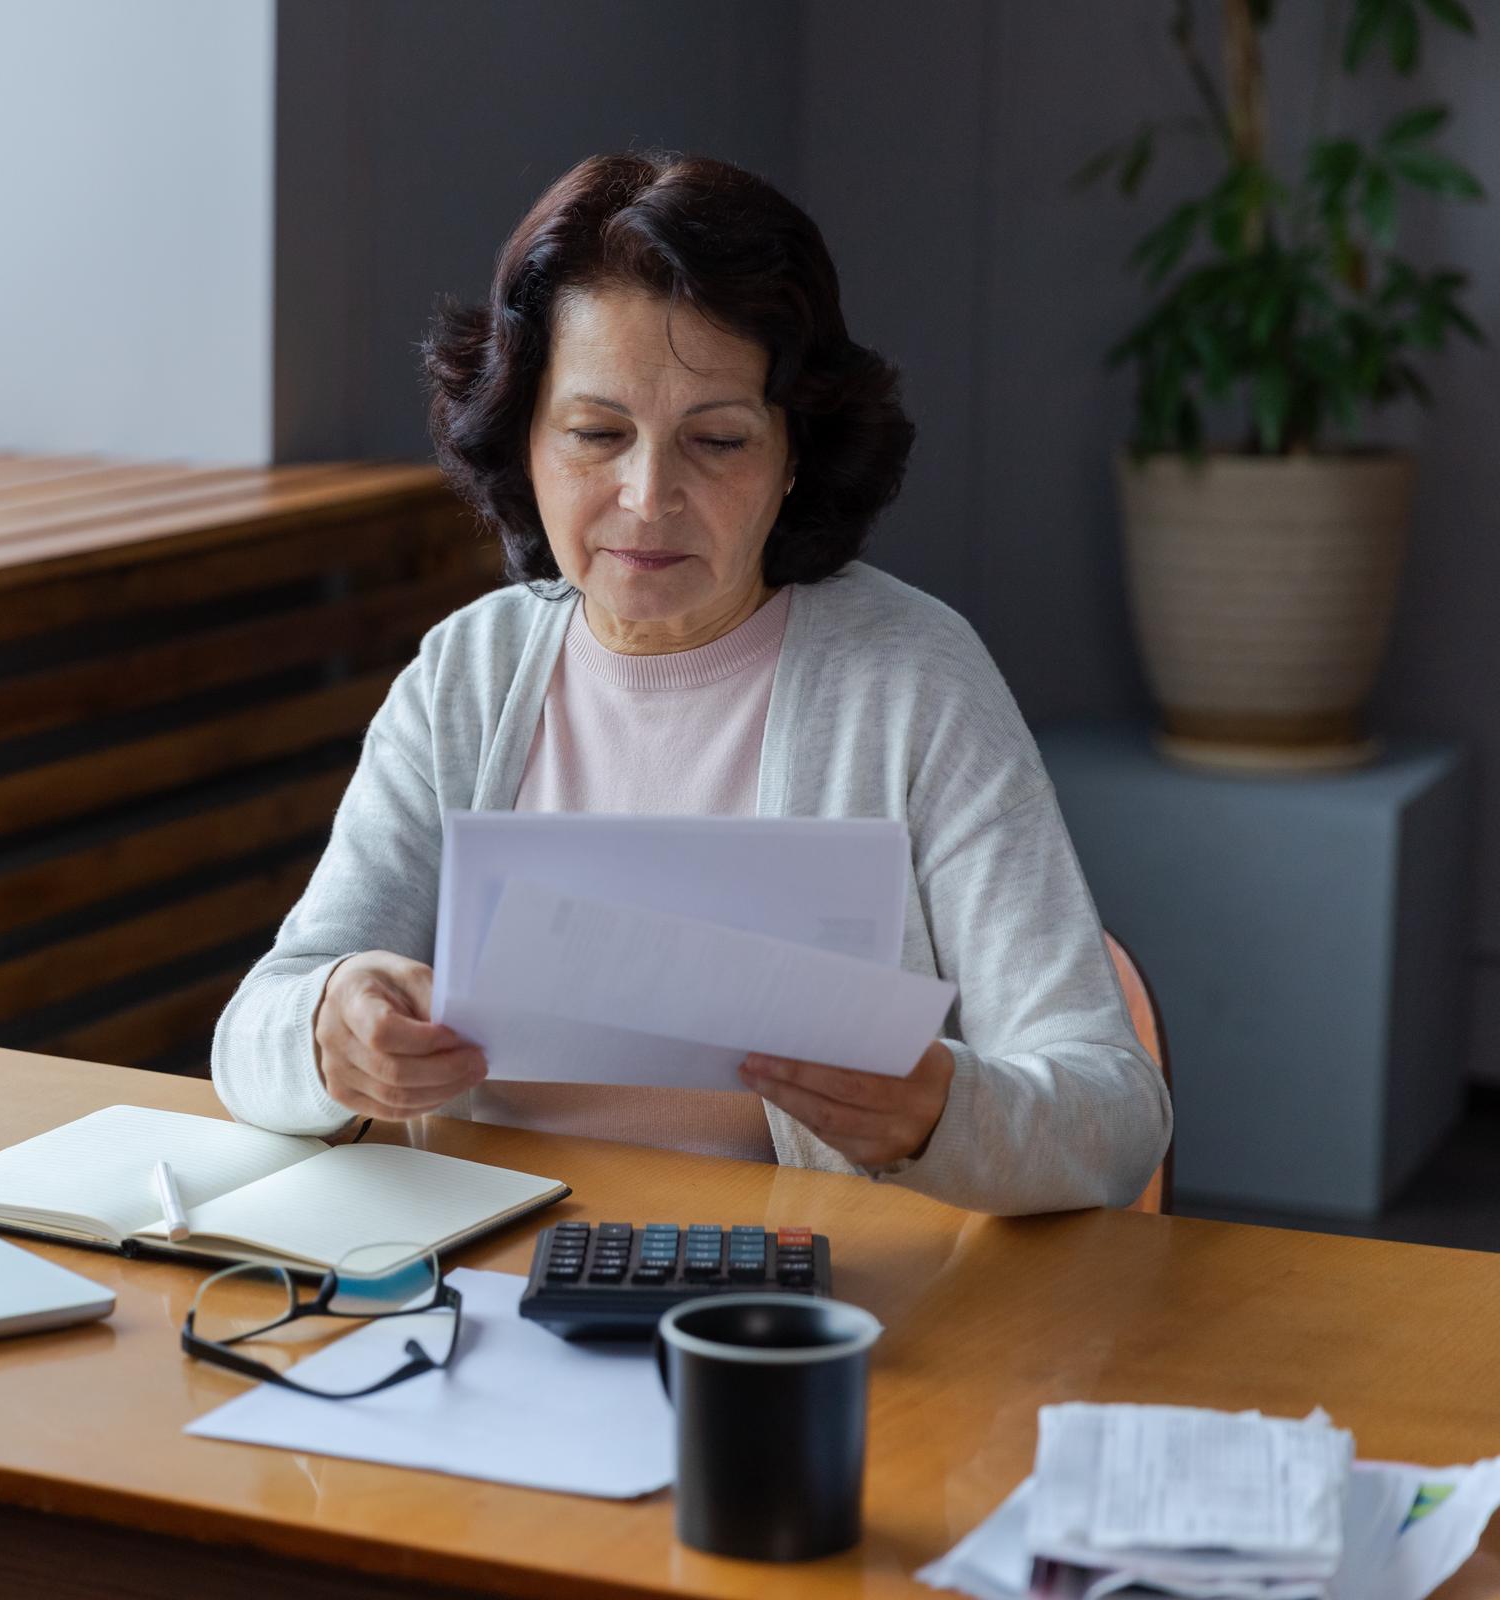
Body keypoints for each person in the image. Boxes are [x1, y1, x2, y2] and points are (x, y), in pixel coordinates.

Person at [210, 151, 1170, 1215]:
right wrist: (329, 1027)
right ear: (522, 436)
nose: (649, 494)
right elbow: (252, 1033)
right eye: (595, 434)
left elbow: (1115, 1110)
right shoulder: (468, 677)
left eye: (716, 441)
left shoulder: (913, 680)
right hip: (492, 1297)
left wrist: (939, 1112)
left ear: (795, 450)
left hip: (809, 1306)